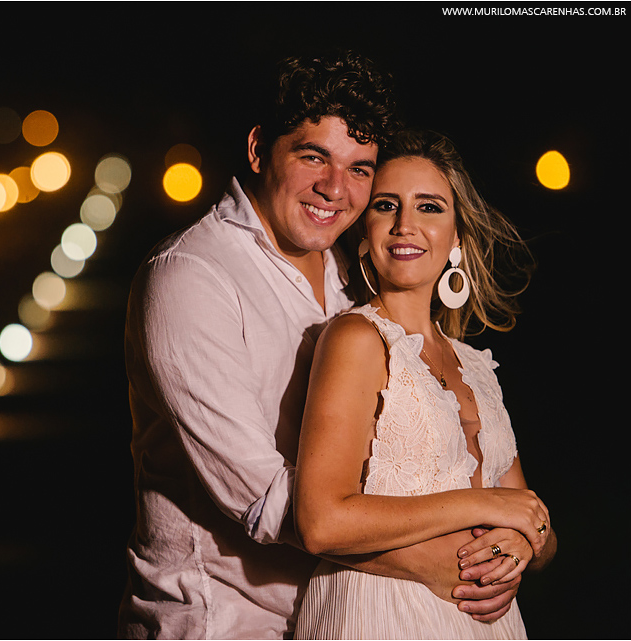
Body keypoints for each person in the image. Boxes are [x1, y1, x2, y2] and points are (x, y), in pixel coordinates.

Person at [118, 52, 525, 639]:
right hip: (224, 618)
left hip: (341, 611)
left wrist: (509, 538)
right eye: (314, 157)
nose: (335, 188)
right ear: (259, 149)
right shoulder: (189, 277)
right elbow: (265, 498)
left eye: (361, 169)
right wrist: (437, 561)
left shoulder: (350, 275)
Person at [292, 129, 557, 639]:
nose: (405, 225)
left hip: (484, 623)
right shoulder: (355, 338)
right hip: (380, 616)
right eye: (386, 206)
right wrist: (485, 506)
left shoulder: (474, 365)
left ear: (456, 235)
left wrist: (526, 545)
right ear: (364, 231)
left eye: (430, 207)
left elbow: (527, 513)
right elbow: (320, 522)